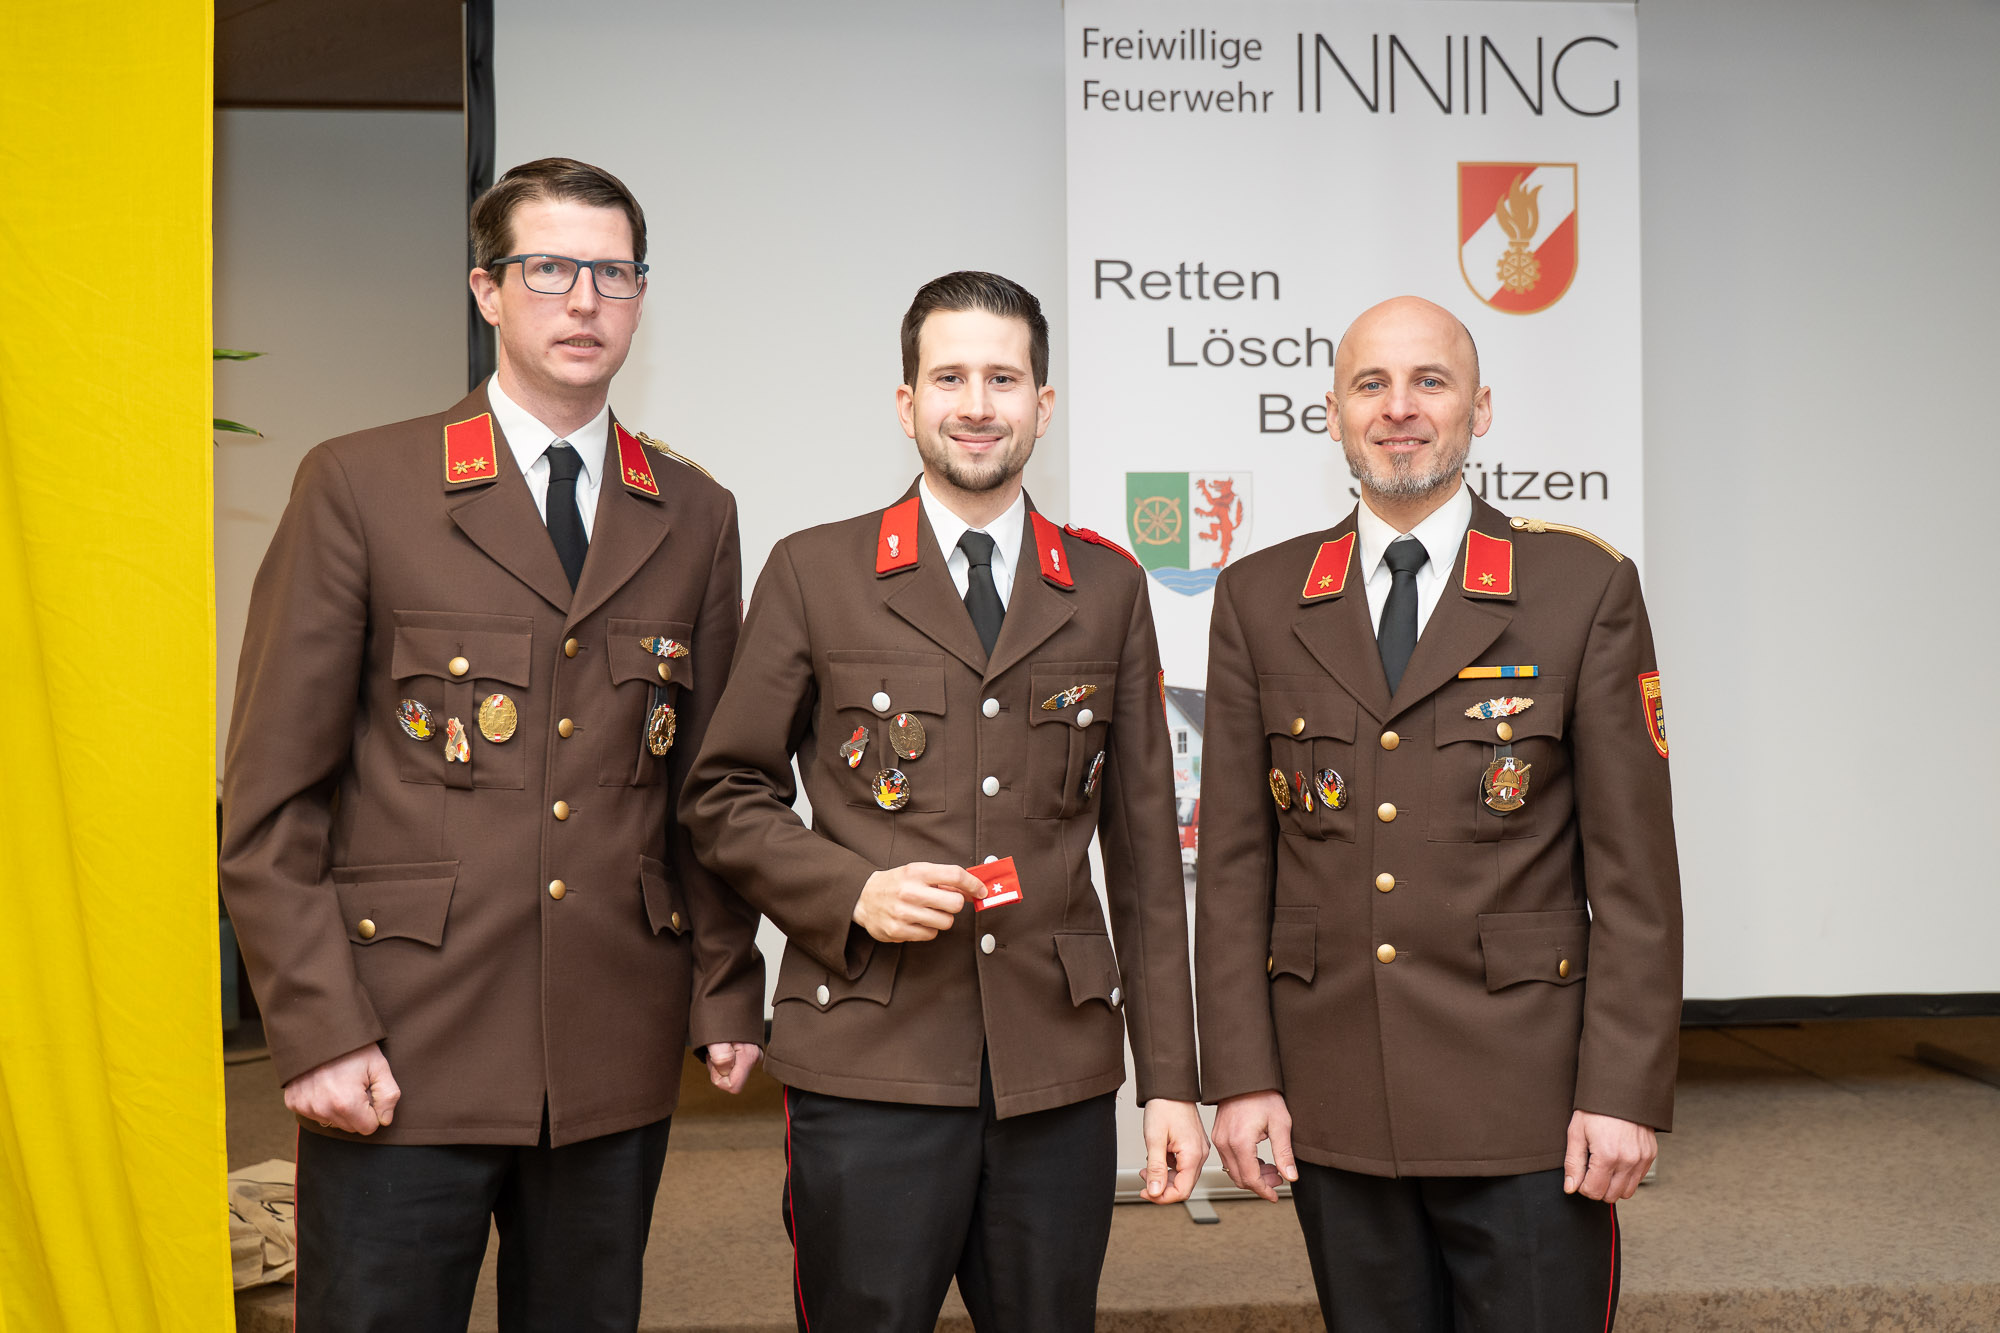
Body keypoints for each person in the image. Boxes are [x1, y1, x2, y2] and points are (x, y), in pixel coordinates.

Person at [218, 157, 765, 1332]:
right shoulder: (363, 484)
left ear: (640, 294)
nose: (584, 301)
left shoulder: (692, 513)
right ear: (487, 290)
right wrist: (317, 1029)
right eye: (549, 269)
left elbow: (706, 792)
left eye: (613, 274)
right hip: (400, 1039)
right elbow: (270, 801)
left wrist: (726, 987)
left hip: (609, 1041)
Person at [680, 271, 1208, 1332]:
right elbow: (723, 792)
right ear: (905, 401)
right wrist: (850, 890)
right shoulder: (815, 572)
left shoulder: (1106, 588)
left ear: (1042, 405)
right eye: (949, 377)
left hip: (1052, 1068)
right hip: (868, 1058)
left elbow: (1146, 856)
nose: (976, 404)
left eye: (1003, 379)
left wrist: (1170, 1082)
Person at [1195, 295, 1682, 1331]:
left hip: (1528, 1105)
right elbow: (1235, 868)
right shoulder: (1259, 597)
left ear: (1479, 408)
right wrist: (1240, 1077)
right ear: (1332, 411)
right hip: (1335, 1097)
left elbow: (1635, 877)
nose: (1399, 408)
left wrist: (1622, 1089)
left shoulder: (1579, 587)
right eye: (1370, 384)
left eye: (1430, 381)